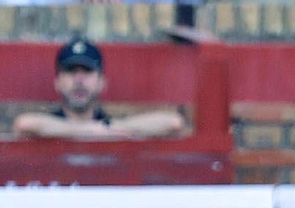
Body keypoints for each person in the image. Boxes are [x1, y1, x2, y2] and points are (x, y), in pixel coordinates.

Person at [13, 39, 186, 142]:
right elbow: (24, 124)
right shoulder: (47, 125)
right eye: (71, 72)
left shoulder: (109, 125)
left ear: (102, 83)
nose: (79, 80)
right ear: (57, 82)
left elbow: (173, 123)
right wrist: (91, 131)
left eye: (87, 72)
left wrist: (109, 129)